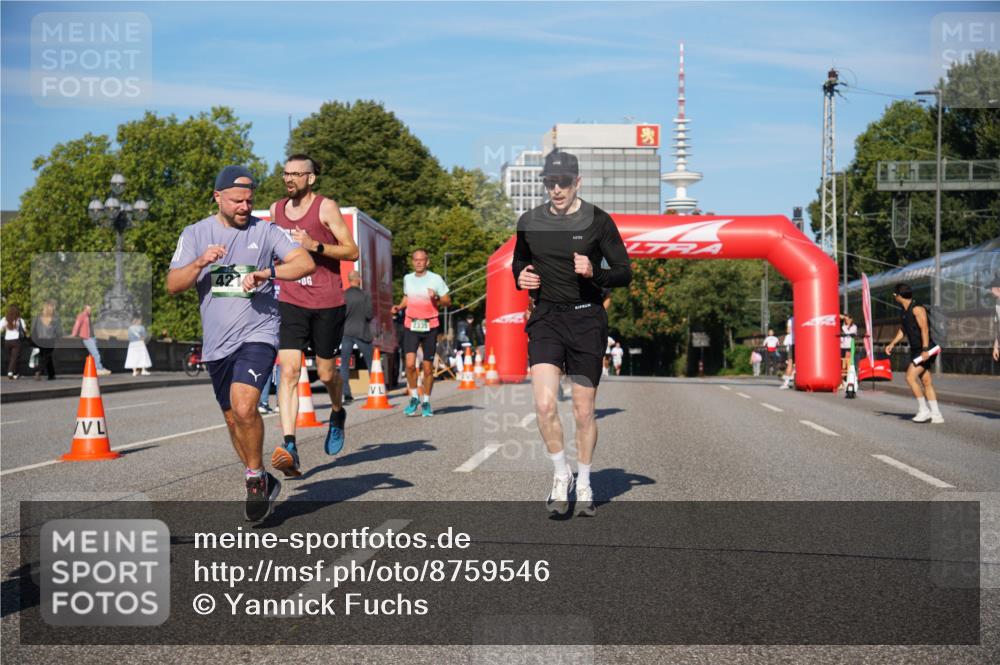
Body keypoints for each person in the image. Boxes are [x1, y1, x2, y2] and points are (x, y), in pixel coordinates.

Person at [167, 165, 315, 521]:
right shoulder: (196, 234)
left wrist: (267, 272)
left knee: (246, 406)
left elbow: (305, 262)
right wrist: (201, 261)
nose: (245, 207)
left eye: (249, 200)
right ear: (217, 197)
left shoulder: (266, 232)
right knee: (234, 419)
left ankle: (252, 480)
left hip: (259, 332)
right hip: (217, 344)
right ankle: (262, 477)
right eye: (237, 201)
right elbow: (174, 284)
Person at [512, 149, 632, 517]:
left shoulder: (598, 221)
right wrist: (520, 276)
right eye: (550, 182)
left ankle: (585, 481)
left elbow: (624, 273)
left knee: (583, 411)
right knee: (545, 404)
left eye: (564, 182)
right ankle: (560, 475)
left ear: (577, 182)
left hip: (585, 321)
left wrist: (593, 272)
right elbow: (519, 259)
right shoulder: (529, 220)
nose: (557, 189)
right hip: (547, 317)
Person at [268, 154, 359, 477]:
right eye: (286, 173)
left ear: (311, 178)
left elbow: (352, 251)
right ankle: (289, 443)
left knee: (325, 373)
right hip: (291, 299)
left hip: (327, 301)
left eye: (296, 174)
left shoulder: (326, 208)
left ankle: (337, 412)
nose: (289, 179)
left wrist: (315, 245)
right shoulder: (276, 210)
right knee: (289, 371)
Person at [392, 249, 451, 416]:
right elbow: (406, 298)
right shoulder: (407, 279)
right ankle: (414, 397)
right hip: (411, 324)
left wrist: (437, 298)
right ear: (413, 262)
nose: (418, 262)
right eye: (415, 260)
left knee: (427, 369)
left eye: (421, 260)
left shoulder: (436, 279)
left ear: (427, 262)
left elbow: (448, 301)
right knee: (410, 365)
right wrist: (399, 307)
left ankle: (426, 401)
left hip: (430, 326)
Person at [885, 282, 943, 424]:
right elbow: (903, 330)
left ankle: (924, 410)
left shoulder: (917, 308)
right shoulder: (903, 310)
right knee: (926, 381)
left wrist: (924, 350)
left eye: (894, 295)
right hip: (916, 349)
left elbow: (924, 329)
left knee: (910, 377)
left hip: (926, 348)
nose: (894, 297)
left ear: (898, 296)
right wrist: (892, 344)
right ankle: (936, 414)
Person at [340, 270, 374, 403]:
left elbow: (341, 315)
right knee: (371, 362)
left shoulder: (344, 296)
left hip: (347, 333)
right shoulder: (365, 295)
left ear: (349, 280)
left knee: (344, 364)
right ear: (358, 279)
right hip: (362, 332)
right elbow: (369, 314)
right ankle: (375, 388)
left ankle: (346, 393)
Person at [71, 305, 110, 376]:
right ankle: (98, 369)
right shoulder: (82, 315)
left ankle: (97, 368)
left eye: (90, 309)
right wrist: (74, 334)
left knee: (94, 353)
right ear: (84, 309)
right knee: (96, 353)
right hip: (87, 337)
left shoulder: (88, 316)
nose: (90, 310)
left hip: (92, 337)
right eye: (88, 309)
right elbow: (77, 325)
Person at [31, 300, 61, 380]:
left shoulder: (38, 317)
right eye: (53, 306)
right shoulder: (55, 318)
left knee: (46, 357)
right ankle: (38, 371)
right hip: (50, 340)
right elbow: (58, 332)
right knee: (46, 357)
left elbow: (34, 329)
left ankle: (51, 374)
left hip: (39, 340)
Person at [2, 305, 28, 379]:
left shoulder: (5, 319)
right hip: (16, 341)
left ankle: (15, 374)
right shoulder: (20, 320)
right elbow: (25, 330)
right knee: (14, 358)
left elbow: (0, 328)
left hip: (7, 341)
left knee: (12, 358)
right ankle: (10, 372)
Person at [840, 314, 858, 388]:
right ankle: (843, 381)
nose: (847, 321)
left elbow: (848, 333)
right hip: (842, 347)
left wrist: (843, 326)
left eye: (848, 319)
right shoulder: (843, 326)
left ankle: (849, 379)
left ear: (851, 319)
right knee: (842, 364)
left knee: (848, 363)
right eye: (845, 319)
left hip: (849, 347)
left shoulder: (854, 327)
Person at [779, 317, 794, 389]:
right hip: (801, 342)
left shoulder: (791, 319)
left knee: (790, 363)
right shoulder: (802, 317)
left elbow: (788, 331)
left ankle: (786, 383)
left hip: (792, 343)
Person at [989, 273, 1000, 363]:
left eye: (991, 288)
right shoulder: (997, 304)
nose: (990, 291)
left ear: (998, 289)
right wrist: (996, 346)